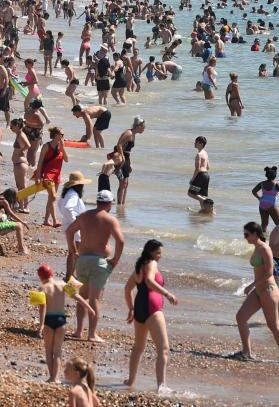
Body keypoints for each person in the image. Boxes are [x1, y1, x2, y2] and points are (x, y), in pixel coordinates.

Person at [65, 189, 124, 342]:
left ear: (97, 202)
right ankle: (92, 334)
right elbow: (120, 241)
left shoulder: (84, 216)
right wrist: (115, 260)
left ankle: (78, 332)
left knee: (82, 296)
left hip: (83, 259)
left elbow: (69, 231)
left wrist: (73, 251)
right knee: (95, 299)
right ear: (110, 204)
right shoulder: (110, 220)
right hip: (99, 262)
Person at [124, 239, 178, 393]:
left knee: (138, 347)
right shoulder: (152, 263)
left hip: (140, 308)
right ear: (150, 252)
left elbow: (127, 289)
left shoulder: (138, 267)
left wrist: (131, 309)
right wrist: (167, 294)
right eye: (158, 253)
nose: (160, 256)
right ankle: (162, 385)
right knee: (163, 348)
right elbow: (149, 281)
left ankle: (130, 380)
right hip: (152, 308)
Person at [234, 222, 279, 364]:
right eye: (244, 234)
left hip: (269, 291)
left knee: (273, 325)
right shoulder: (257, 247)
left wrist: (251, 285)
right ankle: (246, 353)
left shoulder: (265, 248)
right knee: (240, 317)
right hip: (260, 290)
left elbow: (270, 272)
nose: (245, 237)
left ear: (255, 234)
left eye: (246, 234)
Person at [35, 264, 92, 383]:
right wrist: (89, 308)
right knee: (57, 351)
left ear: (40, 277)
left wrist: (40, 326)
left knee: (48, 350)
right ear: (52, 274)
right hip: (61, 319)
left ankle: (51, 377)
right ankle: (56, 378)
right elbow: (77, 296)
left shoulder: (41, 288)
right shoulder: (62, 284)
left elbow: (42, 307)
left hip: (49, 319)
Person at [57, 172, 91, 279]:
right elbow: (67, 208)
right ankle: (69, 276)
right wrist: (75, 222)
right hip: (74, 227)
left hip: (69, 225)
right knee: (75, 252)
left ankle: (70, 275)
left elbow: (60, 205)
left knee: (72, 252)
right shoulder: (73, 194)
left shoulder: (68, 192)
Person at [33, 127, 68, 228]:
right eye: (61, 135)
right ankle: (54, 220)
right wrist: (38, 176)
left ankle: (45, 220)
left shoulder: (62, 145)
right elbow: (40, 162)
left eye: (63, 135)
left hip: (57, 175)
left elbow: (66, 160)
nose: (63, 137)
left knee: (51, 198)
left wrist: (63, 147)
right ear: (56, 135)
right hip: (48, 174)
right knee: (53, 197)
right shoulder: (46, 146)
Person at [113, 116, 145, 205]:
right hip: (120, 157)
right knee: (122, 182)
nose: (144, 129)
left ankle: (122, 204)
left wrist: (130, 163)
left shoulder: (133, 134)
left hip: (126, 157)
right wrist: (122, 158)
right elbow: (118, 145)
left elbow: (128, 150)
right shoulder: (129, 133)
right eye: (143, 127)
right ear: (139, 126)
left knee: (126, 183)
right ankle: (119, 204)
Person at [187, 136, 212, 213]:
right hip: (206, 175)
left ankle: (207, 202)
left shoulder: (199, 155)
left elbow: (197, 169)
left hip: (200, 175)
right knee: (199, 194)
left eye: (196, 142)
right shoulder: (205, 153)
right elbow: (208, 167)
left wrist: (192, 179)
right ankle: (206, 211)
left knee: (190, 193)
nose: (194, 143)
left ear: (201, 144)